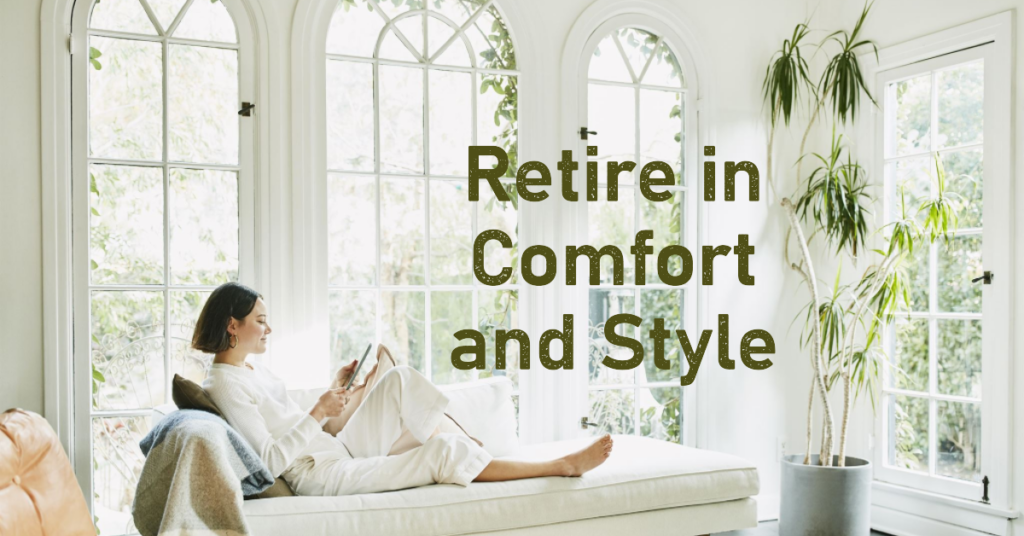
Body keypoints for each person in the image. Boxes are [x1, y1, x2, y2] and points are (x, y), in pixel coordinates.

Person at [194, 282, 614, 496]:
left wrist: (334, 389)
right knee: (443, 452)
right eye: (261, 320)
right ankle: (561, 466)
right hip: (320, 475)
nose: (269, 327)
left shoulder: (249, 369)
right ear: (233, 325)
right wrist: (319, 412)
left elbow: (288, 422)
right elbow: (267, 462)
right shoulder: (226, 385)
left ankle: (470, 446)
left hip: (334, 449)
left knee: (398, 378)